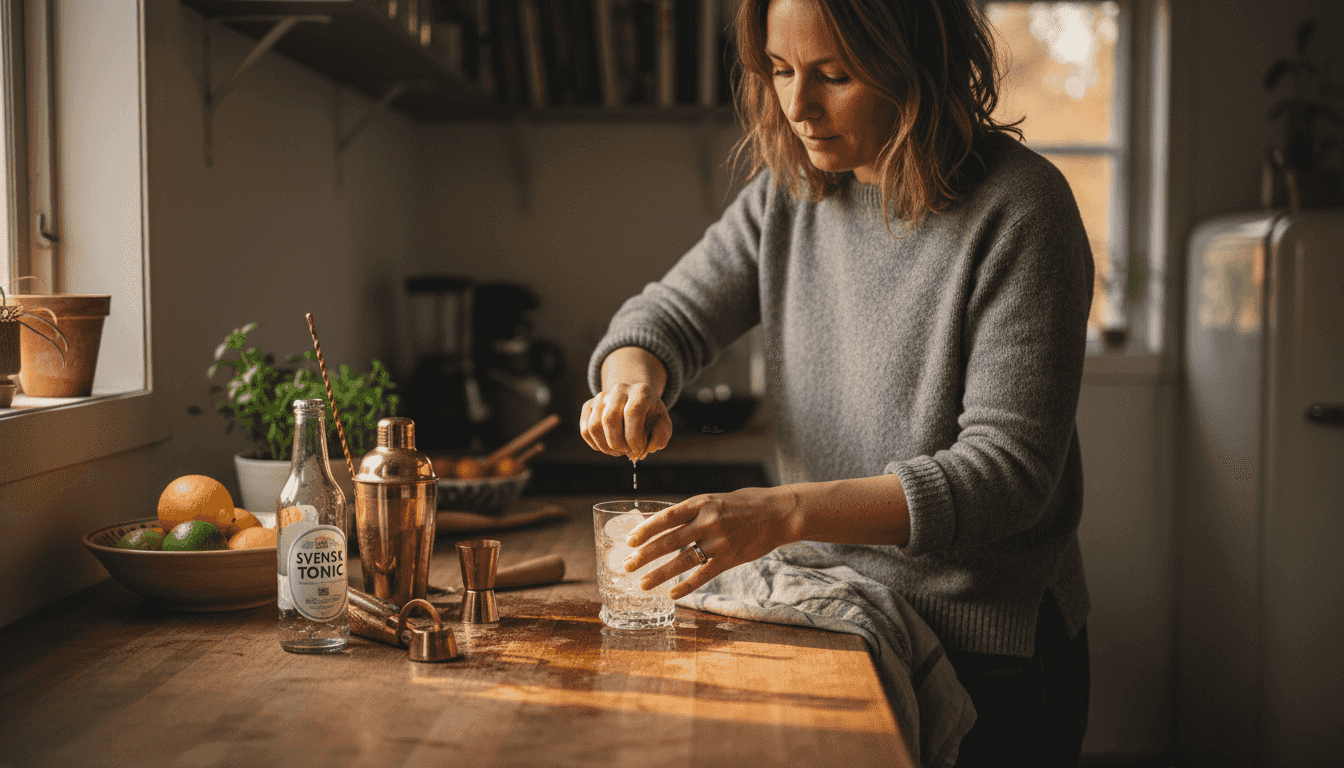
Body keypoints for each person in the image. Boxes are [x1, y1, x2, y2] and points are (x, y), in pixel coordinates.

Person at [579, 0, 1093, 764]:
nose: (797, 106)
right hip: (841, 617)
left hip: (989, 651)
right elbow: (662, 319)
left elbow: (1006, 476)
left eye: (835, 75)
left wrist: (782, 513)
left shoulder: (1022, 208)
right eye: (780, 71)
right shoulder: (787, 197)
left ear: (916, 65)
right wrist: (632, 382)